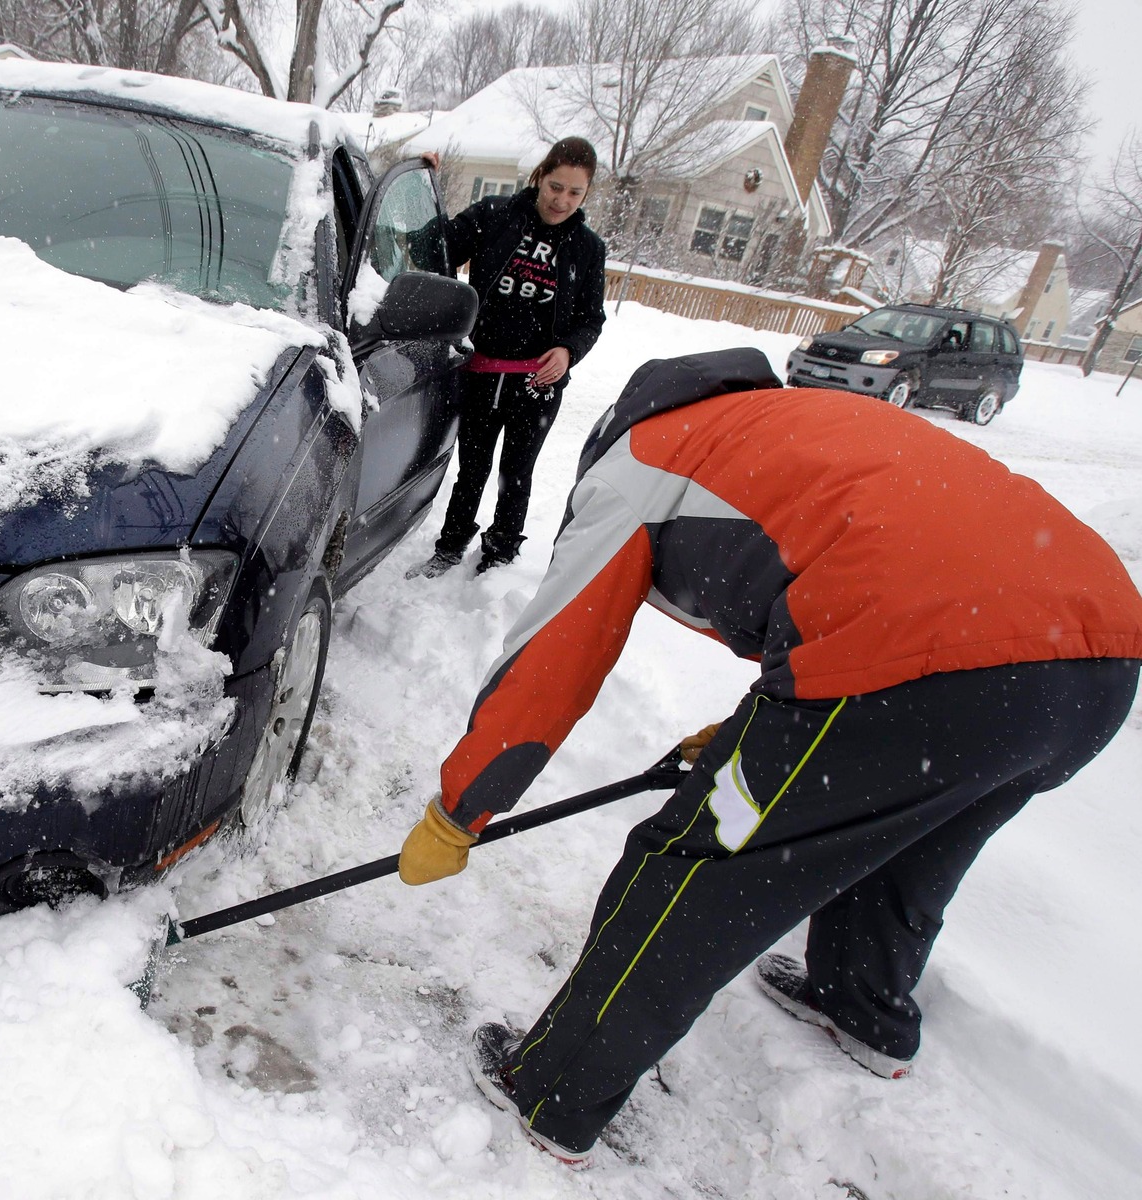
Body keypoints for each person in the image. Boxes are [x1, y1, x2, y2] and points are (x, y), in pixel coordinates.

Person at [395, 348, 1142, 1167]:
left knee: (694, 865)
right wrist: (749, 732)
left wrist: (461, 807)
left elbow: (551, 661)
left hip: (919, 664)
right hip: (1098, 659)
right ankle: (861, 1008)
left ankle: (554, 1090)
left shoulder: (637, 466)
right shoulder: (790, 425)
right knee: (912, 835)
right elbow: (864, 574)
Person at [412, 137, 608, 578]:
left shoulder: (588, 249)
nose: (562, 200)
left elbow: (591, 319)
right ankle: (450, 547)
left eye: (575, 192)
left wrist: (569, 349)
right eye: (556, 186)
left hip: (537, 384)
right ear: (540, 176)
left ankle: (499, 558)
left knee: (516, 475)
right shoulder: (494, 216)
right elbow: (431, 248)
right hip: (482, 373)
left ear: (587, 192)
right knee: (472, 469)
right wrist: (425, 183)